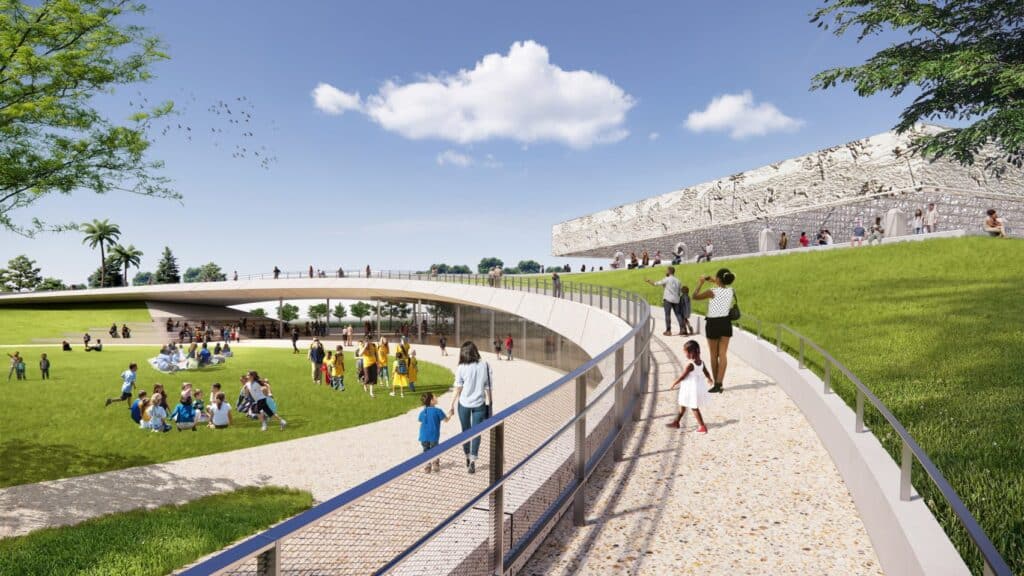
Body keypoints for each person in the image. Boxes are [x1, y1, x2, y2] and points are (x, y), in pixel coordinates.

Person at [448, 342, 492, 474]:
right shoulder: (485, 365)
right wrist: (490, 403)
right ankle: (473, 460)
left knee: (465, 432)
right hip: (479, 404)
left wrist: (450, 405)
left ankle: (467, 456)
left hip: (464, 404)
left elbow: (458, 388)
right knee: (476, 433)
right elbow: (488, 387)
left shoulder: (461, 367)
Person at [693, 268, 736, 394]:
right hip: (726, 323)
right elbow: (721, 286)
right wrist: (713, 279)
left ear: (718, 279)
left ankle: (716, 384)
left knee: (713, 355)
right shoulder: (731, 291)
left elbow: (694, 296)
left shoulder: (712, 291)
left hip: (713, 323)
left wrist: (701, 282)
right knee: (722, 354)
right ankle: (719, 382)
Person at [666, 340, 713, 433]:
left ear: (690, 352)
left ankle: (702, 426)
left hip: (691, 389)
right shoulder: (701, 362)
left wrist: (674, 383)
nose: (685, 354)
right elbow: (706, 372)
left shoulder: (690, 365)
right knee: (683, 404)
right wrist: (710, 379)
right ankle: (676, 422)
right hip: (697, 387)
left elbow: (683, 376)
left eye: (685, 352)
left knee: (694, 407)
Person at [645, 266, 685, 336]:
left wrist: (649, 281)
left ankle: (668, 331)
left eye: (667, 271)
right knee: (678, 314)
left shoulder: (667, 279)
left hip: (668, 299)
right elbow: (679, 292)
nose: (666, 272)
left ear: (669, 271)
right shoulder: (678, 281)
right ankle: (682, 329)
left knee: (667, 315)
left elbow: (655, 284)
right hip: (676, 299)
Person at [418, 392, 453, 473]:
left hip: (423, 436)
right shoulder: (438, 411)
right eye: (435, 397)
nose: (436, 398)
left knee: (426, 450)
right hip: (434, 435)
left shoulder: (422, 412)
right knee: (435, 449)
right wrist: (450, 414)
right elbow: (446, 420)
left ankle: (427, 465)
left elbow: (420, 422)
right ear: (431, 401)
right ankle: (435, 464)